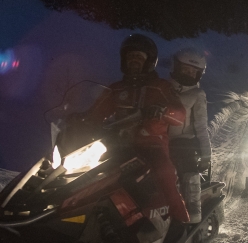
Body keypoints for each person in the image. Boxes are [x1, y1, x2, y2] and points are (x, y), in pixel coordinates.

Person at [82, 34, 190, 223]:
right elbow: (96, 113)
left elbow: (180, 115)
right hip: (117, 145)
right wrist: (80, 120)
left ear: (149, 61)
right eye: (130, 57)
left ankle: (180, 220)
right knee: (89, 176)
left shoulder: (160, 87)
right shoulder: (116, 89)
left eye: (139, 57)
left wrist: (163, 111)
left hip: (151, 145)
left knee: (165, 173)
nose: (134, 61)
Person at [167, 48, 211, 223]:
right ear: (176, 67)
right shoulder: (162, 88)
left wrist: (206, 155)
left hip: (183, 141)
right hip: (157, 138)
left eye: (193, 72)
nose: (189, 74)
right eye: (185, 69)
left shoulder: (197, 95)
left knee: (187, 168)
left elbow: (201, 126)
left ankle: (193, 211)